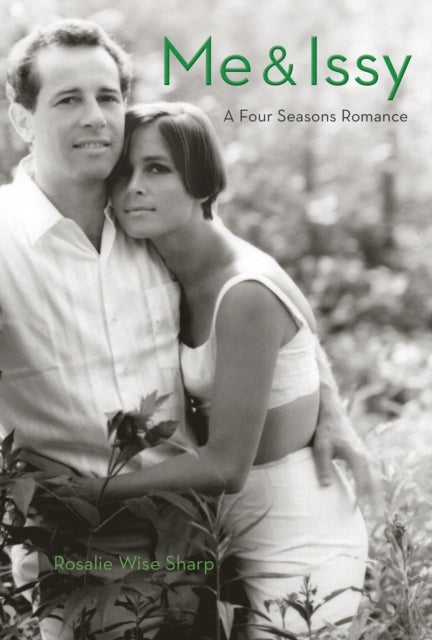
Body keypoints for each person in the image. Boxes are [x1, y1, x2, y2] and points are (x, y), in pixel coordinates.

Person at [0, 18, 374, 640]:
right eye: (67, 100)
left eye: (107, 97)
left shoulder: (151, 225)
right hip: (84, 546)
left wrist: (327, 409)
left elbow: (264, 302)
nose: (94, 116)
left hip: (197, 537)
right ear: (22, 120)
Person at [69, 102, 369, 637]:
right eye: (123, 172)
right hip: (219, 539)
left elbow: (227, 466)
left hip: (298, 545)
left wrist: (91, 492)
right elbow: (302, 338)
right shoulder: (159, 264)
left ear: (202, 182)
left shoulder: (244, 289)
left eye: (157, 169)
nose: (134, 187)